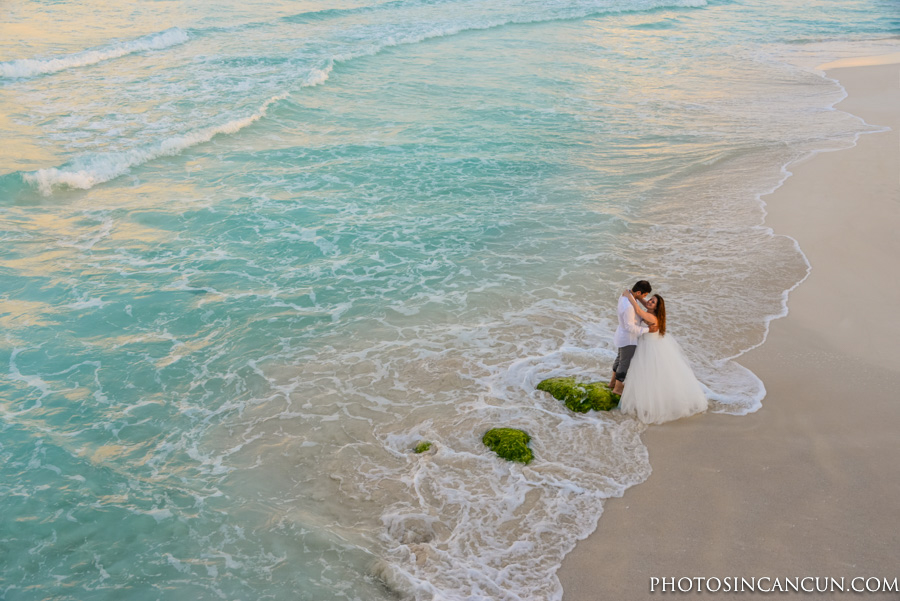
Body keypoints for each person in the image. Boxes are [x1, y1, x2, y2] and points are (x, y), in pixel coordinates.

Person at [617, 289, 708, 424]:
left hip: (650, 348)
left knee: (651, 376)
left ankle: (651, 403)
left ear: (656, 308)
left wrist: (629, 297)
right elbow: (644, 305)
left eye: (652, 302)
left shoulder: (652, 317)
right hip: (648, 344)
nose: (648, 301)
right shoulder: (653, 313)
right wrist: (636, 296)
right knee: (647, 375)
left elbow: (638, 310)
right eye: (650, 299)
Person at [610, 280, 656, 396]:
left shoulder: (625, 295)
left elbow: (640, 308)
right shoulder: (629, 307)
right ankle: (617, 388)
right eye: (645, 295)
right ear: (639, 292)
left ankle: (612, 383)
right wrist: (648, 330)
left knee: (619, 359)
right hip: (628, 338)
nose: (646, 299)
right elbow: (630, 327)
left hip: (621, 335)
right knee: (624, 363)